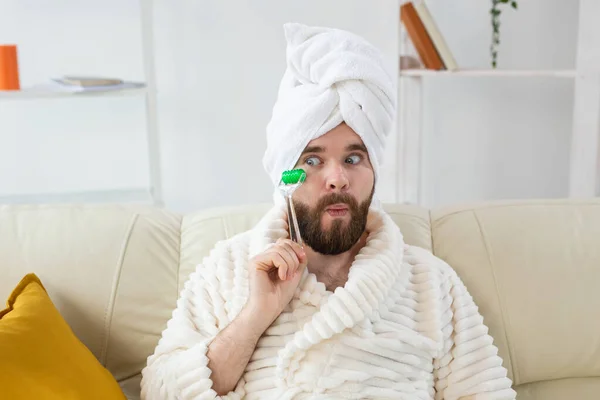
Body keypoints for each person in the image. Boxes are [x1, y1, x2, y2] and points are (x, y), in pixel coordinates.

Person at [140, 23, 517, 400]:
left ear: (374, 174)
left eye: (354, 158)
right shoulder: (229, 269)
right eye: (313, 161)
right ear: (284, 177)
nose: (337, 178)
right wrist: (255, 316)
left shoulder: (429, 282)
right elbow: (160, 392)